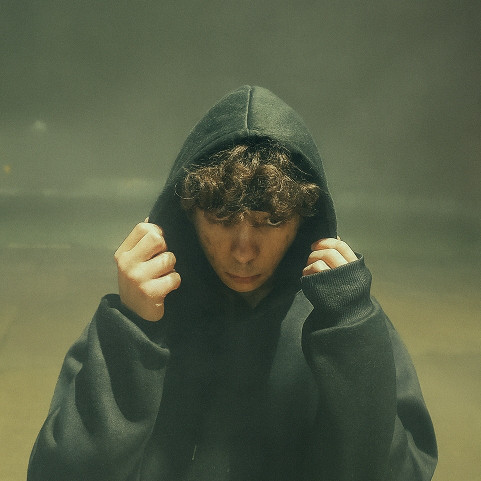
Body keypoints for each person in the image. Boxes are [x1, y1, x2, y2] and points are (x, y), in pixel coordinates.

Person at [27, 85, 437, 480]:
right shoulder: (142, 315)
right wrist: (134, 330)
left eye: (270, 221)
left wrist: (351, 336)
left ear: (304, 220)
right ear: (188, 213)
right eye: (221, 219)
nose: (243, 252)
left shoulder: (345, 325)